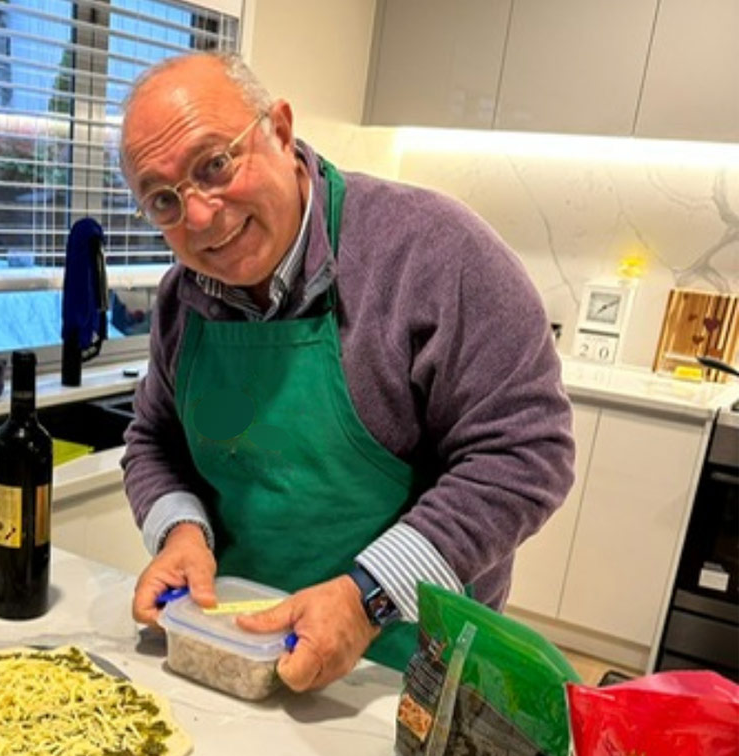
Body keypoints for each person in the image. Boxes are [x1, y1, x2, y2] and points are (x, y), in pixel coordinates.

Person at [118, 51, 575, 692]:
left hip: (403, 673)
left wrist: (367, 599)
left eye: (215, 165)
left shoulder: (435, 255)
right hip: (239, 651)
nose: (198, 216)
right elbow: (152, 440)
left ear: (279, 129)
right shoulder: (183, 299)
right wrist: (179, 530)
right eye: (163, 200)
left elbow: (527, 454)